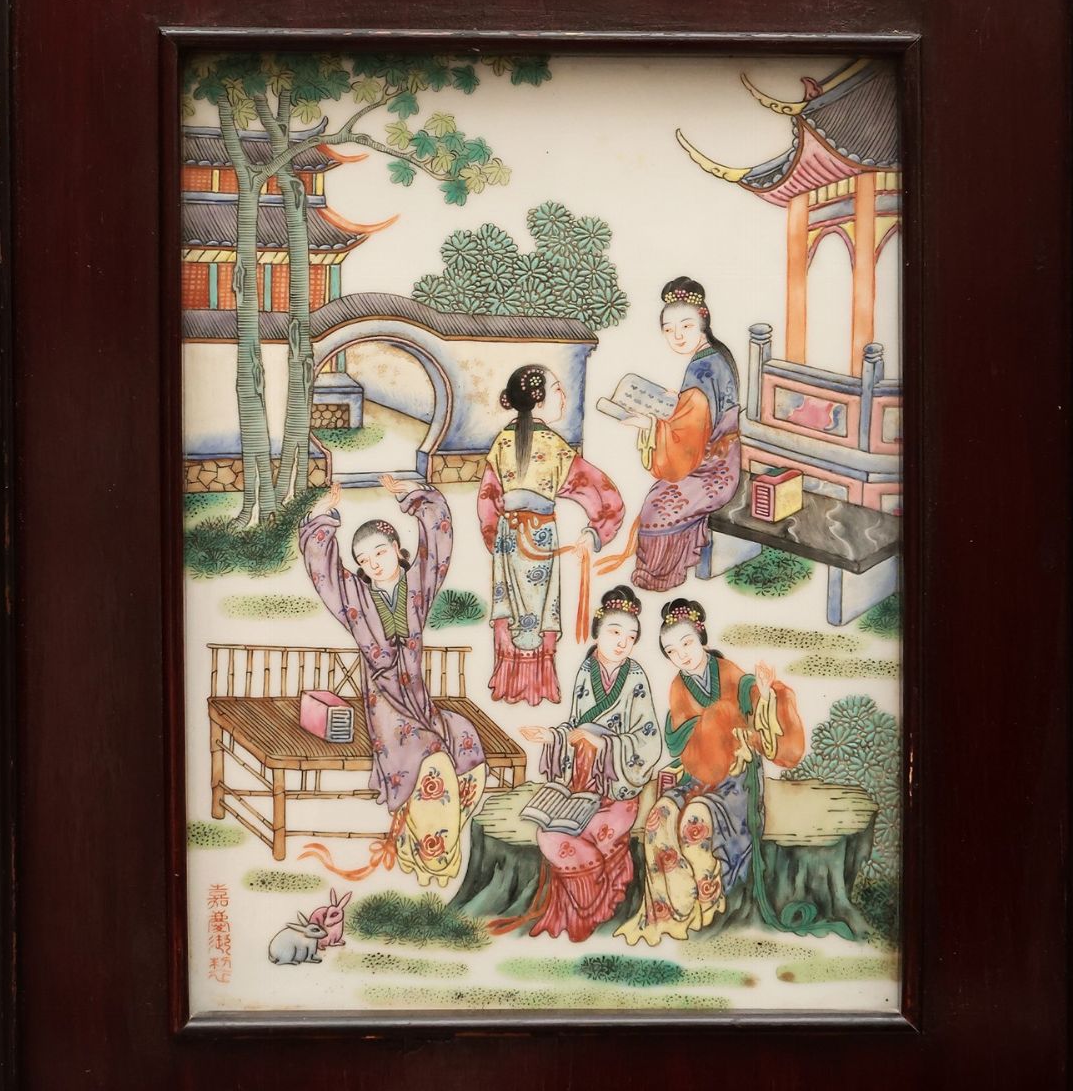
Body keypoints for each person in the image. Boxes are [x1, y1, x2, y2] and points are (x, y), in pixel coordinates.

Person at [295, 475, 488, 888]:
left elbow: (438, 539)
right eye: (364, 560)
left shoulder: (418, 582)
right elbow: (322, 570)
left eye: (380, 552)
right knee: (432, 760)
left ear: (399, 550)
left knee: (466, 750)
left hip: (417, 697)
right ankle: (437, 862)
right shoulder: (353, 596)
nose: (374, 564)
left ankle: (417, 848)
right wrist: (322, 518)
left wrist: (415, 496)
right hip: (383, 702)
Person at [615, 597, 807, 945]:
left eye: (687, 643)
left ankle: (705, 903)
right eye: (672, 651)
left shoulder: (730, 674)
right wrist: (710, 728)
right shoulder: (679, 687)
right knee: (659, 818)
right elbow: (678, 740)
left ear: (701, 638)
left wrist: (765, 695)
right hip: (695, 774)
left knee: (695, 822)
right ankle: (673, 908)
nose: (682, 655)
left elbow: (762, 724)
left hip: (735, 776)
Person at [502, 587, 667, 940]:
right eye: (615, 632)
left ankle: (592, 906)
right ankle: (592, 898)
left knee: (593, 834)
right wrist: (552, 737)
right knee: (548, 835)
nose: (623, 643)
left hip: (616, 787)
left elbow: (649, 739)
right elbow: (576, 727)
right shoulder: (586, 670)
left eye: (631, 637)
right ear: (597, 632)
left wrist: (603, 743)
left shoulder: (635, 676)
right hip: (580, 783)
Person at [474, 363, 625, 704]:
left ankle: (510, 683)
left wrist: (496, 541)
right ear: (539, 401)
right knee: (541, 610)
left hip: (509, 541)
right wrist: (595, 531)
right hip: (541, 536)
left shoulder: (502, 443)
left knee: (512, 609)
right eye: (557, 389)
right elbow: (603, 493)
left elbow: (487, 501)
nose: (564, 395)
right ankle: (537, 686)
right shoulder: (554, 446)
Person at [618, 277, 744, 592]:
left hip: (712, 469)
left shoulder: (702, 367)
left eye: (686, 326)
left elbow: (689, 438)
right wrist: (675, 407)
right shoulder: (714, 356)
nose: (677, 336)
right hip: (718, 458)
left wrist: (651, 425)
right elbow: (698, 417)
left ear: (703, 323)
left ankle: (659, 576)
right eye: (668, 329)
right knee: (659, 496)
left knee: (658, 507)